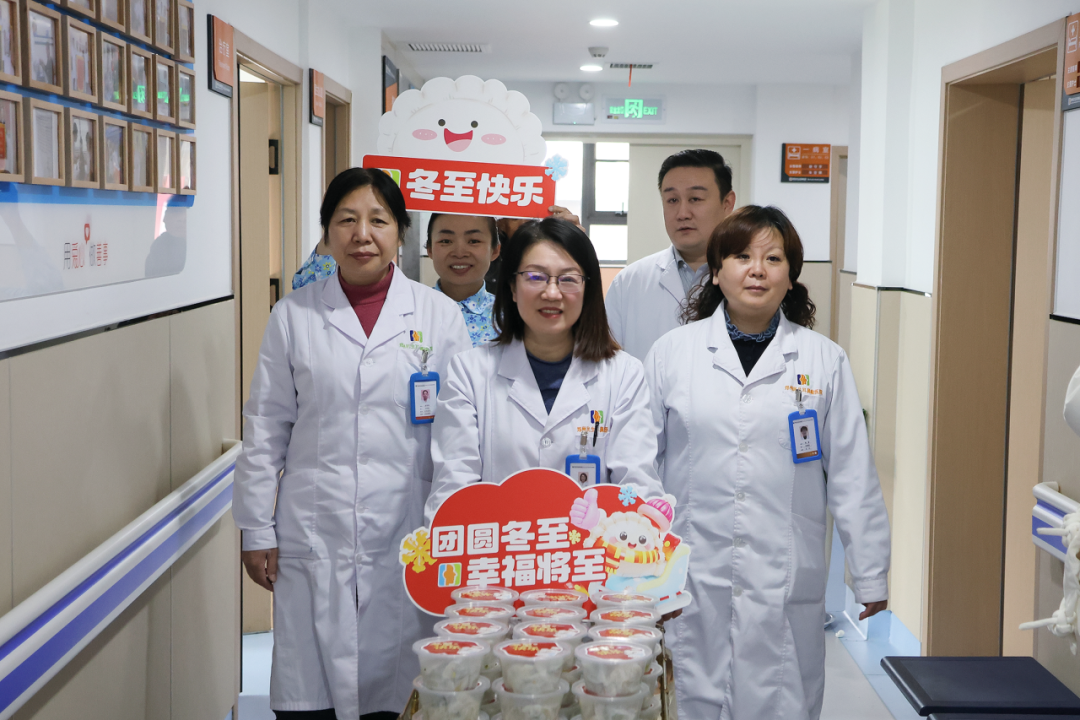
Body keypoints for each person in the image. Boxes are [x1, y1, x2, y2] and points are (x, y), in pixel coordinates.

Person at [232, 167, 473, 720]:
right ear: (327, 232)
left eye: (378, 221)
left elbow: (459, 438)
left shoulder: (439, 316)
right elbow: (265, 427)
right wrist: (256, 528)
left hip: (410, 530)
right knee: (311, 697)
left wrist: (450, 531)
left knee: (401, 691)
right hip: (317, 530)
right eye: (346, 220)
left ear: (400, 232)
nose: (362, 235)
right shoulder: (293, 315)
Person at [643, 206, 890, 720]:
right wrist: (638, 566)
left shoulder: (824, 360)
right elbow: (642, 465)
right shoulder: (672, 354)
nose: (757, 270)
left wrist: (870, 574)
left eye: (773, 258)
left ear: (790, 275)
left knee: (781, 699)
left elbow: (852, 475)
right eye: (741, 256)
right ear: (717, 271)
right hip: (689, 571)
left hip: (783, 573)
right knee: (688, 696)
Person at [426, 217, 663, 519]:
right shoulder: (468, 372)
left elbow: (636, 488)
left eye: (568, 279)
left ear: (587, 288)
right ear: (512, 287)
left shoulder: (624, 375)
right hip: (502, 545)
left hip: (595, 547)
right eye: (535, 277)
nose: (552, 293)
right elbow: (453, 494)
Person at [605, 149, 737, 361]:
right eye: (672, 200)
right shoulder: (628, 283)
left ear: (727, 203)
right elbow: (607, 365)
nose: (682, 213)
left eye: (695, 198)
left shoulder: (750, 279)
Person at [427, 213, 500, 346]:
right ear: (429, 249)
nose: (459, 253)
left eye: (474, 241)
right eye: (446, 241)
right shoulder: (410, 312)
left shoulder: (511, 317)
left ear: (495, 250)